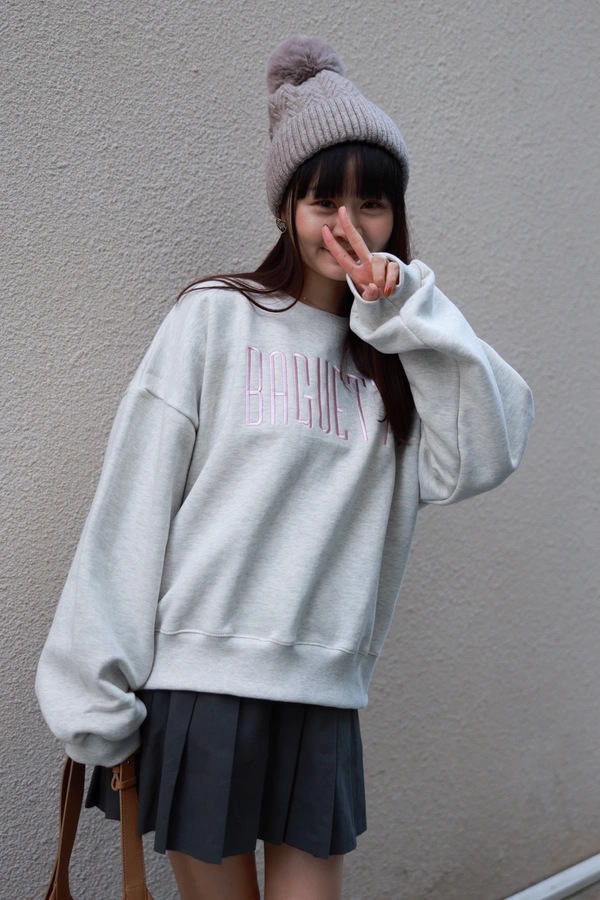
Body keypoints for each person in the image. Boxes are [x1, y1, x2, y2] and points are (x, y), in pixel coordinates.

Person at [35, 34, 534, 900]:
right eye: (322, 200)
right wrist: (93, 695)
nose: (347, 224)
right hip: (201, 690)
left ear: (396, 218)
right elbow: (132, 506)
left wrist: (409, 313)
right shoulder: (215, 319)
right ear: (285, 209)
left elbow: (490, 449)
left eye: (371, 203)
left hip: (322, 696)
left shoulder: (398, 360)